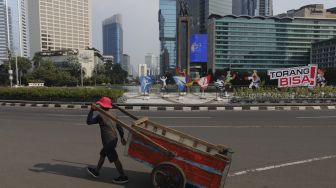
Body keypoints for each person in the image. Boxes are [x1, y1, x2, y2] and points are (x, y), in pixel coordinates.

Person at [86, 96, 128, 184]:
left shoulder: (100, 116)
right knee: (102, 154)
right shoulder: (114, 113)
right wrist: (122, 137)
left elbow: (89, 122)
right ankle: (96, 171)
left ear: (101, 105)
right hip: (114, 138)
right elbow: (119, 126)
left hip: (108, 142)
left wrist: (91, 110)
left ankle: (123, 176)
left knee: (115, 158)